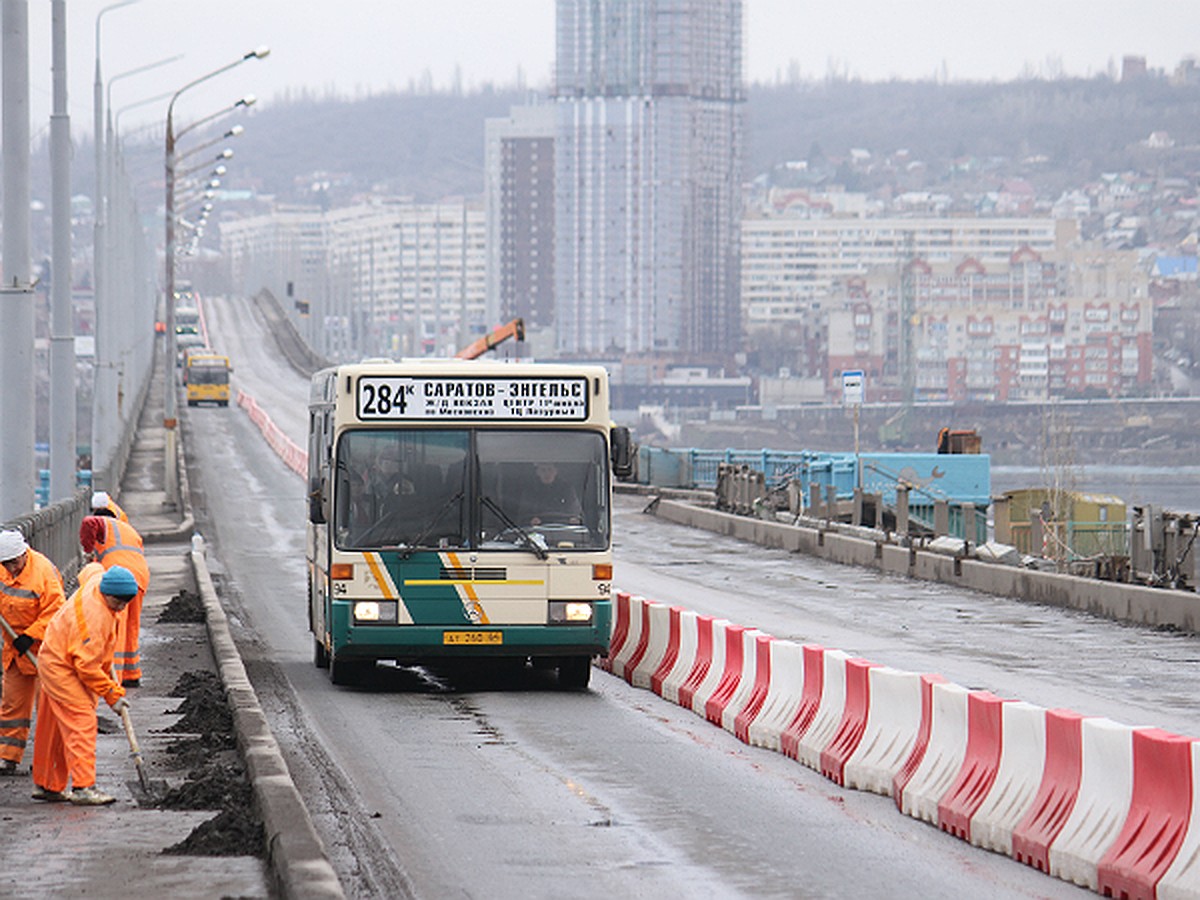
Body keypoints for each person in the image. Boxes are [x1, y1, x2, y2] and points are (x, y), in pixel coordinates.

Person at [30, 564, 135, 805]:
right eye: (117, 603)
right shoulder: (94, 617)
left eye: (124, 603)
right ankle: (84, 787)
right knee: (82, 724)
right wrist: (112, 694)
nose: (120, 608)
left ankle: (47, 785)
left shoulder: (98, 580)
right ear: (106, 594)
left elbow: (90, 569)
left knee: (54, 727)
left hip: (54, 655)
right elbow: (86, 667)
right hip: (63, 668)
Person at [0, 530, 66, 776]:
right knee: (12, 706)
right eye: (5, 564)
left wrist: (30, 635)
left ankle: (48, 760)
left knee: (48, 709)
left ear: (23, 554)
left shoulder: (43, 574)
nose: (11, 569)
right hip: (15, 650)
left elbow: (56, 611)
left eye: (13, 563)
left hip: (43, 651)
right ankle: (7, 757)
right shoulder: (3, 568)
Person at [79, 514, 150, 687]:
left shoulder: (102, 523)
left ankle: (114, 678)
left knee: (116, 626)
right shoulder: (125, 528)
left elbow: (88, 523)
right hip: (139, 577)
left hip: (118, 580)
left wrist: (87, 550)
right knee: (131, 625)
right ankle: (131, 673)